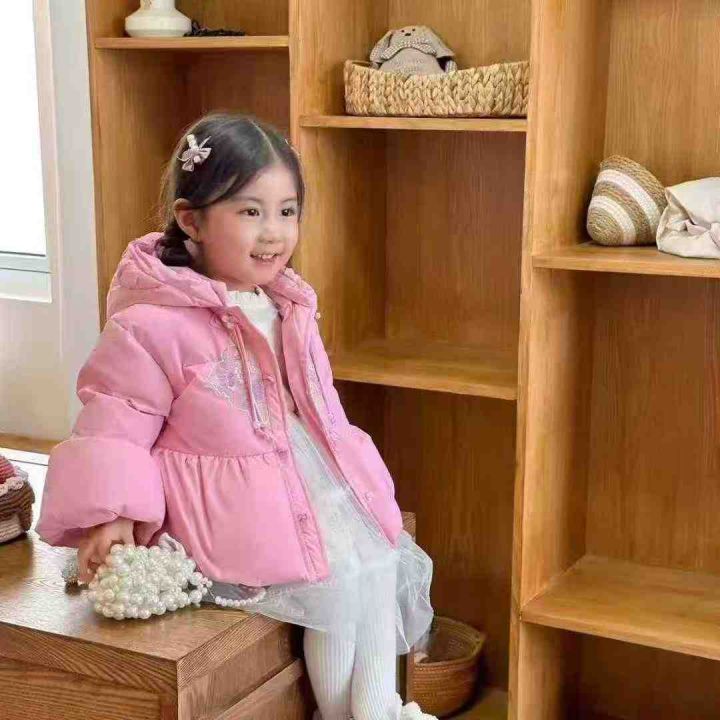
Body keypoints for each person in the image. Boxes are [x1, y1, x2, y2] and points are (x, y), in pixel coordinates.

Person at [36, 113, 435, 720]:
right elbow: (116, 421)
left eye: (287, 211)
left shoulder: (287, 302)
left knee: (375, 558)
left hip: (301, 473)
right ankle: (346, 713)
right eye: (250, 212)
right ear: (191, 220)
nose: (274, 232)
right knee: (335, 582)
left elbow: (318, 405)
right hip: (228, 506)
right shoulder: (152, 324)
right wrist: (111, 514)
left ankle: (379, 705)